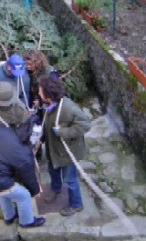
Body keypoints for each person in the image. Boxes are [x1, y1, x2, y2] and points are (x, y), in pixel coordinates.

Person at [38, 74, 91, 216]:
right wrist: (39, 140)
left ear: (48, 94)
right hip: (54, 150)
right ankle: (56, 190)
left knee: (71, 180)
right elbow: (47, 125)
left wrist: (63, 132)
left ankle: (76, 204)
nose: (38, 92)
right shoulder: (49, 105)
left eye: (40, 90)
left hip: (68, 153)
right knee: (53, 171)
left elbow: (85, 125)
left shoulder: (69, 108)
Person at [0, 123, 46, 228]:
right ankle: (26, 222)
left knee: (4, 192)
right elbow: (28, 177)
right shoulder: (24, 154)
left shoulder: (3, 131)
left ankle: (9, 217)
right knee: (24, 196)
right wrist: (35, 191)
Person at [24, 49, 59, 160]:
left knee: (47, 130)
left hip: (47, 108)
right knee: (35, 130)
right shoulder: (30, 72)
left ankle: (52, 154)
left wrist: (41, 102)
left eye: (29, 64)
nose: (27, 66)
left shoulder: (50, 74)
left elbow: (56, 96)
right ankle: (36, 153)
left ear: (37, 62)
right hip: (35, 107)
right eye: (26, 64)